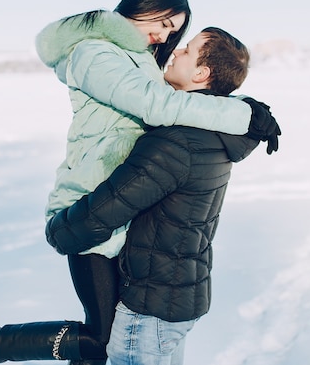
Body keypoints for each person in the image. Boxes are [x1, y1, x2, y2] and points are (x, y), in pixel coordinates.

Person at [0, 0, 280, 365]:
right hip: (92, 208)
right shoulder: (96, 54)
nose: (165, 37)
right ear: (143, 3)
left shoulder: (140, 58)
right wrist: (241, 112)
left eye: (174, 32)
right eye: (164, 23)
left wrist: (238, 101)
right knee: (102, 339)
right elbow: (159, 106)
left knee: (103, 342)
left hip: (126, 210)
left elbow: (188, 93)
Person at [45, 27, 265, 365]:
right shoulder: (219, 132)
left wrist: (61, 230)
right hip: (181, 297)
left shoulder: (176, 141)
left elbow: (110, 207)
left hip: (151, 309)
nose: (176, 51)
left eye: (188, 50)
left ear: (201, 73)